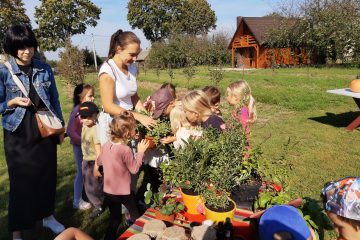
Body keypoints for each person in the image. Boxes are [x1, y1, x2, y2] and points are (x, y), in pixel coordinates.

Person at [0, 25, 65, 238]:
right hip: (18, 132)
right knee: (21, 181)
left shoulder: (44, 68)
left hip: (44, 128)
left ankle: (47, 217)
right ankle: (17, 232)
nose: (26, 51)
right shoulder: (3, 71)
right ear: (12, 47)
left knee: (47, 177)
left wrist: (61, 127)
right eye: (20, 47)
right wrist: (11, 101)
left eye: (29, 46)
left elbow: (54, 99)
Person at [97, 111, 149, 240]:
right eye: (134, 129)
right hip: (124, 192)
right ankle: (141, 236)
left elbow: (99, 161)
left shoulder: (106, 146)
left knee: (114, 219)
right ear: (126, 134)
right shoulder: (125, 150)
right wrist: (140, 152)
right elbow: (134, 169)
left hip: (109, 191)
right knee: (135, 215)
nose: (135, 131)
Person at [98, 29, 156, 145]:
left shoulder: (132, 67)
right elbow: (108, 106)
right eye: (132, 54)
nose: (135, 59)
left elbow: (133, 96)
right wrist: (138, 116)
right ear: (119, 49)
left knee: (131, 158)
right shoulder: (108, 71)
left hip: (129, 119)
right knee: (118, 160)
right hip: (114, 123)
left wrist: (145, 115)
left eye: (137, 54)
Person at [66, 84, 95, 210]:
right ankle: (77, 200)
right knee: (81, 172)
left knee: (88, 170)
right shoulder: (78, 111)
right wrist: (84, 142)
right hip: (80, 147)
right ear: (80, 98)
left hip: (86, 146)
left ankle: (91, 192)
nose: (93, 98)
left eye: (93, 95)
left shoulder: (88, 108)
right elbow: (70, 131)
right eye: (90, 96)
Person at [78, 101, 104, 219]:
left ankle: (98, 205)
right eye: (84, 116)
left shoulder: (95, 130)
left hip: (94, 162)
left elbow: (99, 151)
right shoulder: (84, 126)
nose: (87, 119)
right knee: (89, 185)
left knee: (92, 187)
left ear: (95, 115)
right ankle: (101, 198)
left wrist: (96, 167)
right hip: (85, 161)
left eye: (90, 116)